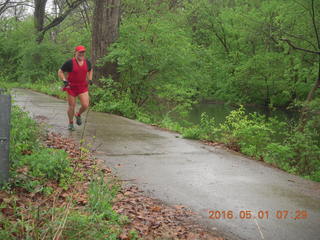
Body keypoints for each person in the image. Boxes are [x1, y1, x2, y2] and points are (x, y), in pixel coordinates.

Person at [58, 45, 93, 131]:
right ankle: (70, 123)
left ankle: (78, 114)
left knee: (85, 105)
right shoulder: (70, 63)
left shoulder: (87, 62)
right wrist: (64, 80)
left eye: (83, 52)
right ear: (75, 53)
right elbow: (60, 71)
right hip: (72, 87)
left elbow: (90, 69)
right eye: (80, 52)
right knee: (71, 106)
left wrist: (90, 79)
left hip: (82, 86)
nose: (82, 54)